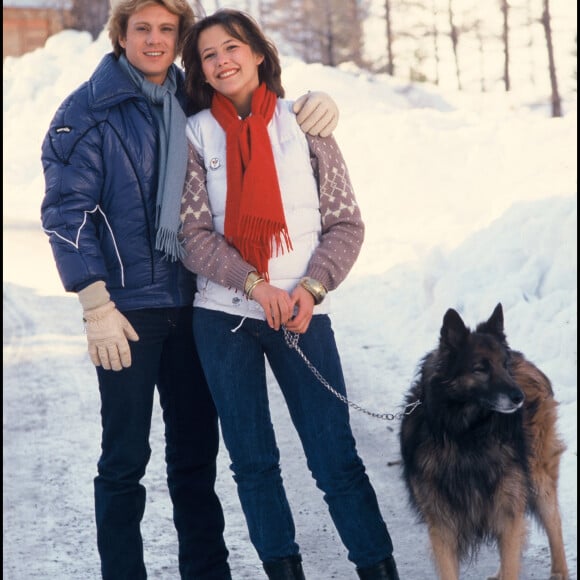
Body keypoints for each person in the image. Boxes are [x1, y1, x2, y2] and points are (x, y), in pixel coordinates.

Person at [39, 0, 340, 578]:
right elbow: (64, 211)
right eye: (142, 28)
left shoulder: (195, 98)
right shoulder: (87, 111)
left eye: (167, 29)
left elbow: (257, 107)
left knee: (195, 461)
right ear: (120, 34)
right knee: (125, 460)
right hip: (127, 312)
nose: (154, 40)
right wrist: (93, 300)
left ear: (179, 38)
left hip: (196, 304)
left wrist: (313, 106)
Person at [178, 9, 400, 580]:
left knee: (336, 458)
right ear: (200, 70)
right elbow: (193, 236)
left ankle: (378, 569)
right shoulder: (196, 134)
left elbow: (346, 223)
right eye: (208, 54)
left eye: (232, 47)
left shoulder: (308, 126)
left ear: (257, 52)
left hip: (302, 316)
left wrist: (312, 286)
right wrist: (253, 284)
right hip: (223, 320)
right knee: (253, 464)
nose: (222, 60)